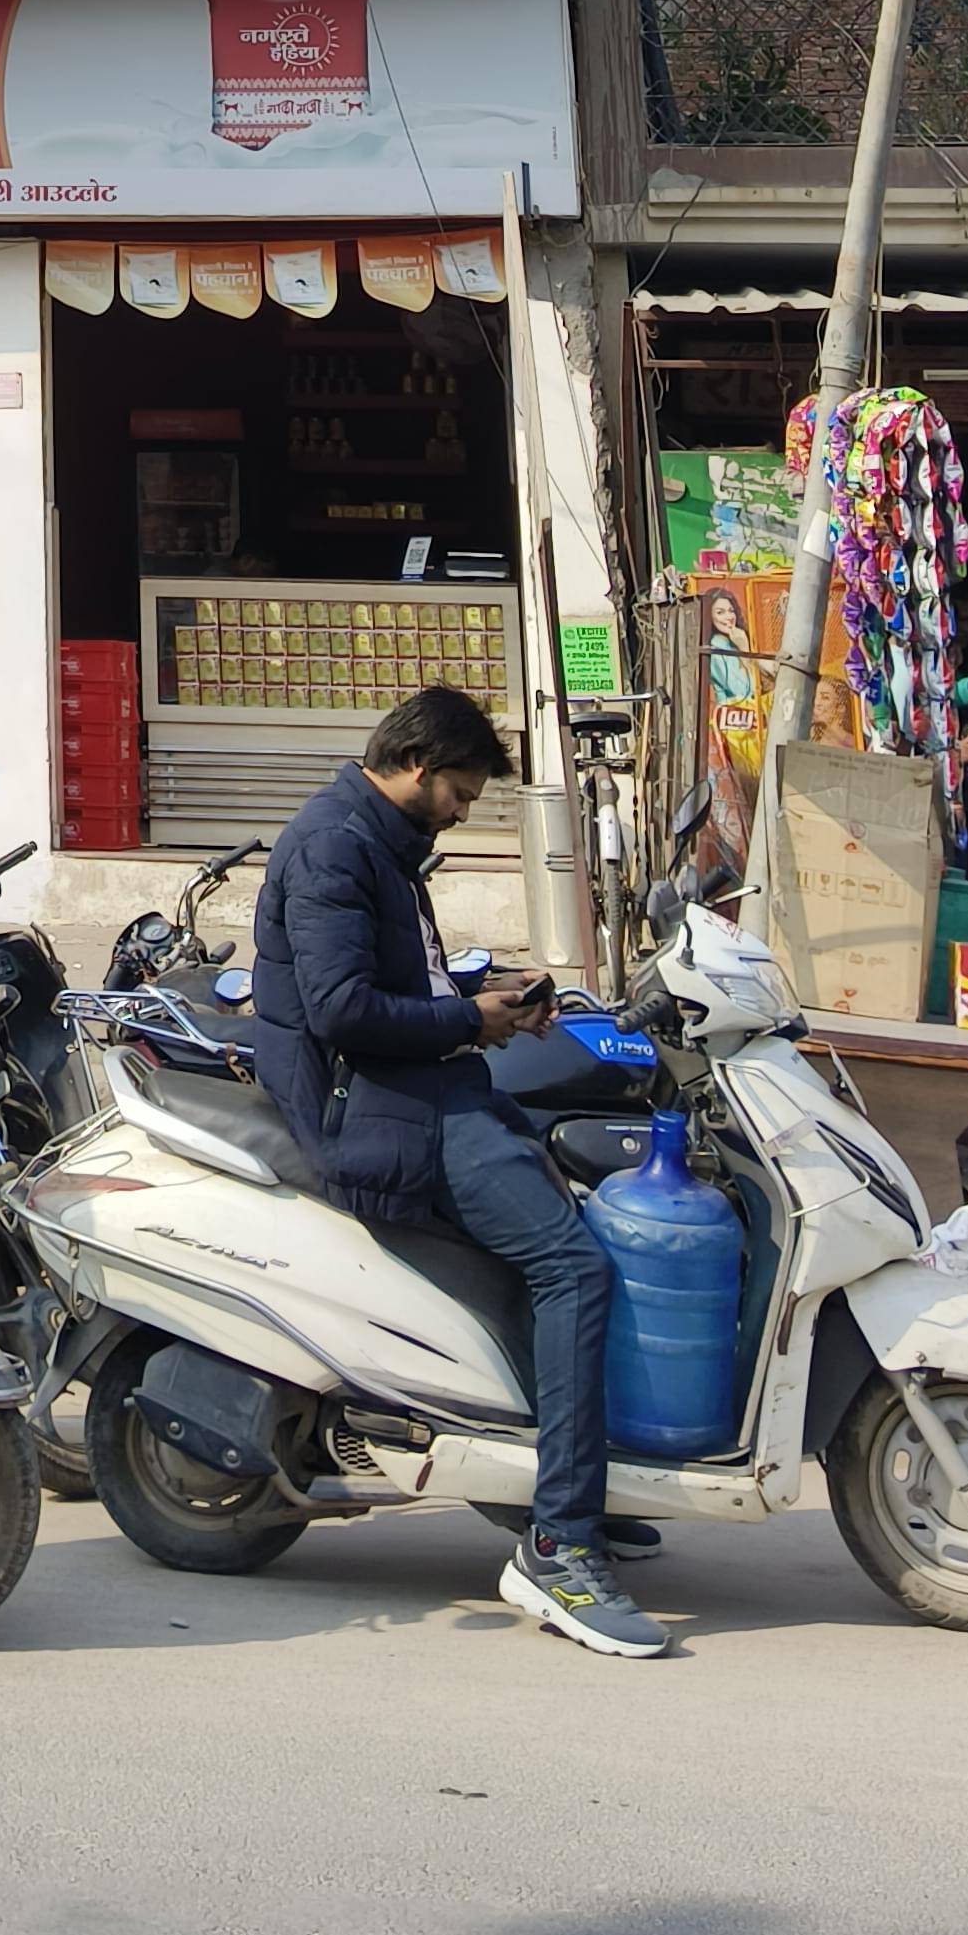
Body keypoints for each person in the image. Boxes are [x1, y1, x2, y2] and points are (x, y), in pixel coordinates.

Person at [250, 681, 671, 1661]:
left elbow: (404, 981)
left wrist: (489, 993)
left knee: (566, 1210)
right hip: (385, 1112)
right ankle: (559, 1549)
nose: (461, 813)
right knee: (574, 1269)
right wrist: (468, 1021)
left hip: (427, 1085)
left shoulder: (383, 844)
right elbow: (344, 1009)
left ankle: (548, 1478)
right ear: (417, 767)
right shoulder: (334, 848)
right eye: (461, 794)